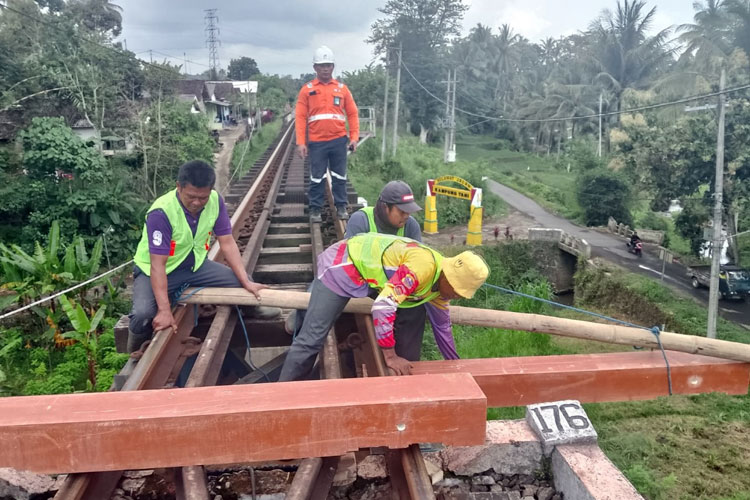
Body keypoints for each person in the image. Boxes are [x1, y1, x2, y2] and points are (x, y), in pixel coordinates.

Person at [278, 233, 490, 381]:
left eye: (461, 293)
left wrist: (456, 366)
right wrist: (390, 356)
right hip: (343, 265)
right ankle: (283, 397)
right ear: (447, 274)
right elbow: (382, 307)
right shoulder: (423, 267)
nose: (455, 295)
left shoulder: (439, 290)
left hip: (370, 281)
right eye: (455, 289)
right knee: (312, 339)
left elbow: (443, 328)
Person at [127, 160, 280, 353]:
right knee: (143, 314)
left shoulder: (215, 200)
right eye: (191, 197)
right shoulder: (162, 212)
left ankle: (251, 309)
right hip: (156, 271)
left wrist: (245, 281)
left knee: (244, 281)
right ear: (178, 187)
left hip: (195, 266)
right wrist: (165, 311)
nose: (197, 203)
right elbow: (158, 265)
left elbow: (227, 242)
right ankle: (134, 349)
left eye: (203, 197)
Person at [295, 45, 359, 223]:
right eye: (322, 65)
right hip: (317, 142)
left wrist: (353, 137)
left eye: (328, 65)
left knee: (339, 176)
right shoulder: (306, 90)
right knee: (317, 177)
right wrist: (301, 142)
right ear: (315, 68)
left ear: (333, 66)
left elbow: (352, 114)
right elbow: (300, 117)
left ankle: (341, 206)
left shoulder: (342, 89)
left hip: (339, 141)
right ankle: (315, 209)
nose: (325, 68)